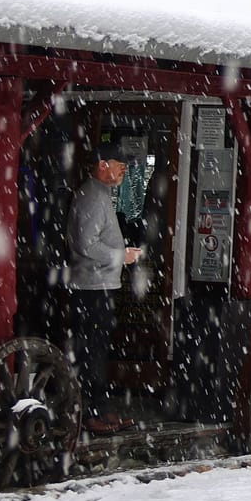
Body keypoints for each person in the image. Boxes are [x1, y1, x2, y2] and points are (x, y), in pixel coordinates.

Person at [67, 145, 141, 433]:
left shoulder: (99, 194)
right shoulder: (92, 197)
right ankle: (90, 414)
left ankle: (98, 408)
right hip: (92, 288)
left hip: (99, 285)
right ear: (101, 164)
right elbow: (85, 245)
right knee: (91, 353)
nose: (123, 169)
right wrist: (119, 256)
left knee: (97, 350)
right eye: (118, 163)